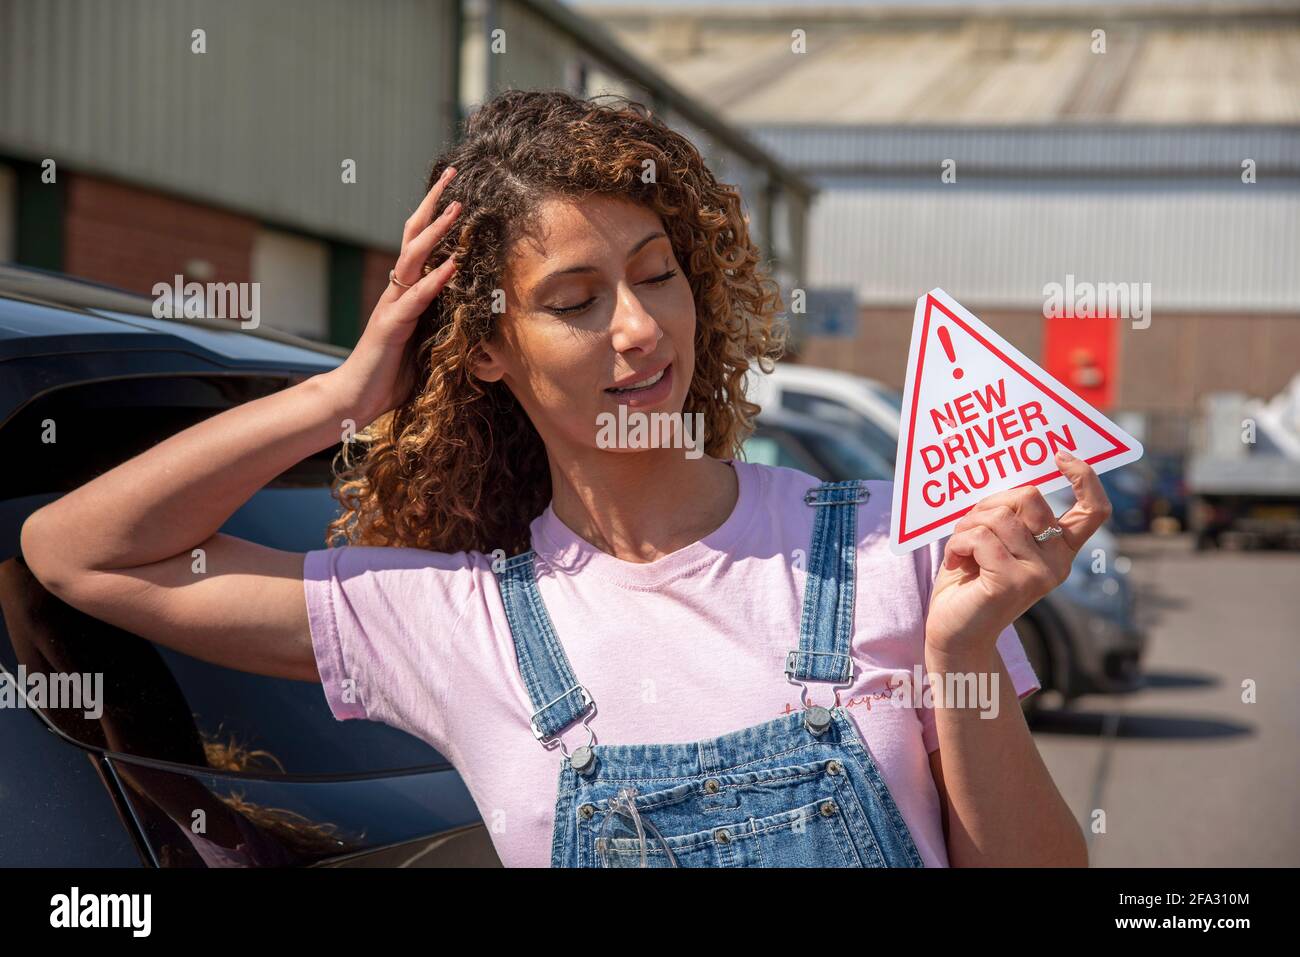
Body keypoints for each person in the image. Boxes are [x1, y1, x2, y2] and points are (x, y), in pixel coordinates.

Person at [21, 89, 1100, 868]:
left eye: (655, 276)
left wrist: (957, 653)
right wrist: (340, 397)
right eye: (575, 300)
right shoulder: (459, 621)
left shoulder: (893, 547)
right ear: (488, 347)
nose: (636, 329)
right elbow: (77, 554)